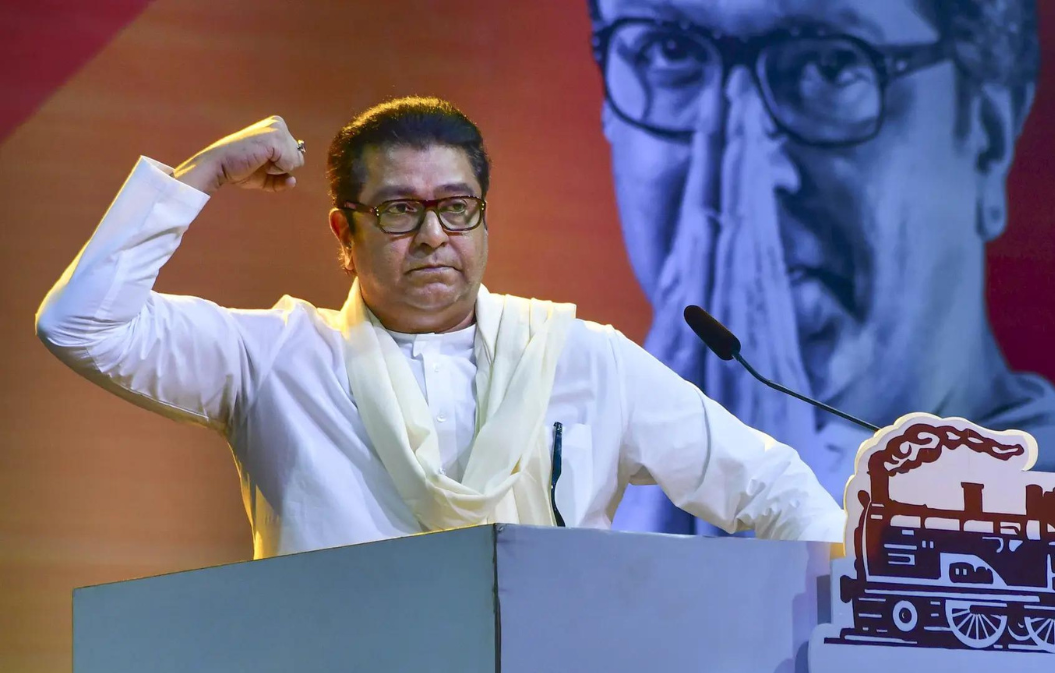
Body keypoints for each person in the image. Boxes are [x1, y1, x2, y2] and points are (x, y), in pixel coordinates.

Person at [34, 97, 844, 558]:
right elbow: (81, 325)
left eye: (456, 207)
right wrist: (202, 174)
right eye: (398, 210)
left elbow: (775, 489)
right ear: (344, 233)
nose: (432, 236)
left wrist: (832, 634)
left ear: (484, 218)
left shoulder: (580, 356)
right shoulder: (272, 358)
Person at [587, 0, 1055, 535]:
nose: (753, 179)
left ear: (987, 134)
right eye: (669, 52)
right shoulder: (552, 485)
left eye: (830, 66)